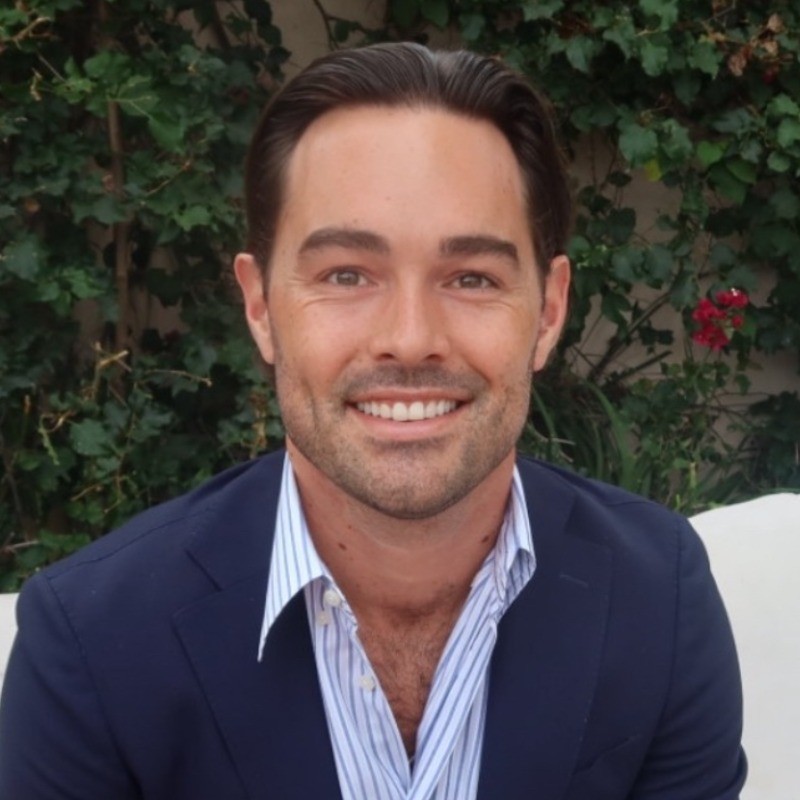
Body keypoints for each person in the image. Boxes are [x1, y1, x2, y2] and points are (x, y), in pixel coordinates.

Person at [0, 42, 746, 799]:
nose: (412, 336)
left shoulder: (660, 595)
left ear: (549, 312)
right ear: (261, 308)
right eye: (347, 275)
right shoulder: (91, 643)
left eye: (472, 277)